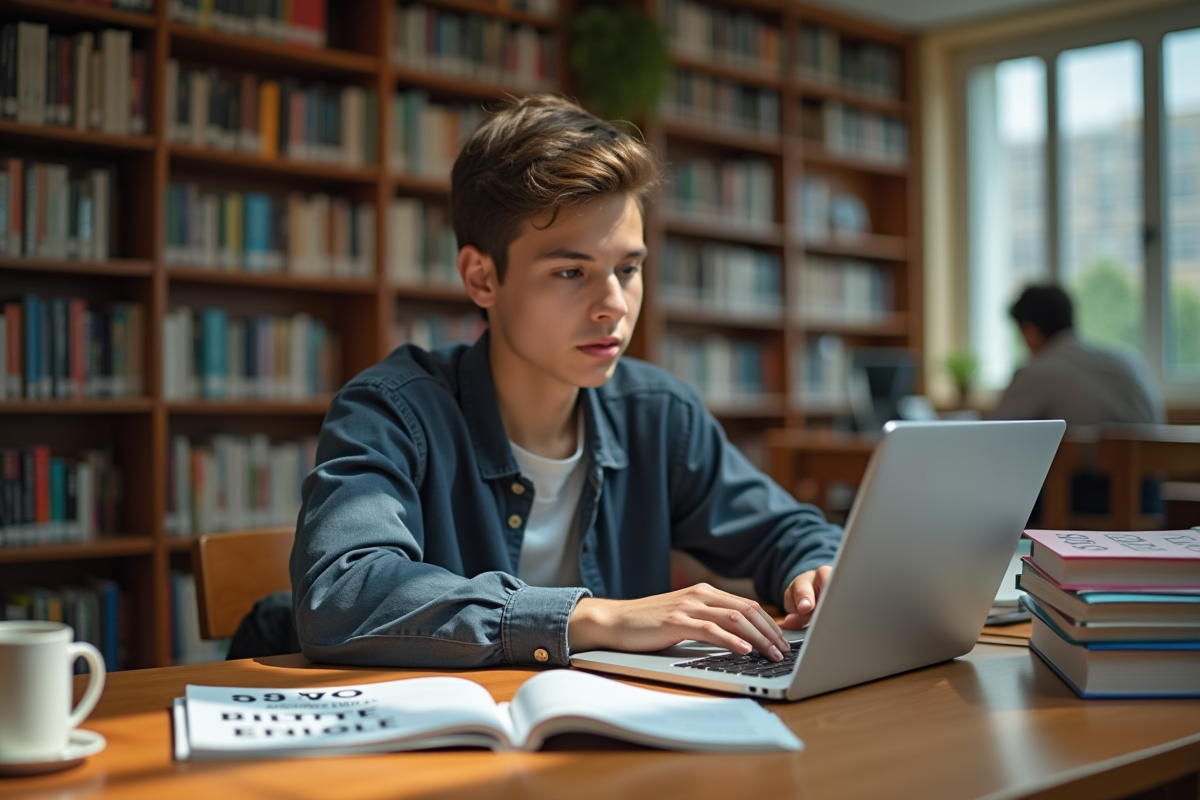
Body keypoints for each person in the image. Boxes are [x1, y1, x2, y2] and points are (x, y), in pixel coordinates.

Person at [289, 95, 843, 670]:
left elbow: (790, 532)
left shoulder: (657, 412)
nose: (613, 306)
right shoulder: (390, 412)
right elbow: (341, 596)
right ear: (482, 277)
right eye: (571, 271)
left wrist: (816, 569)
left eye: (627, 269)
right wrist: (593, 617)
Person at [990, 284, 1164, 425]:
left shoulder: (1038, 372)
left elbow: (993, 434)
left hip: (1086, 469)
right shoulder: (1130, 360)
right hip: (1157, 467)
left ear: (1030, 332)